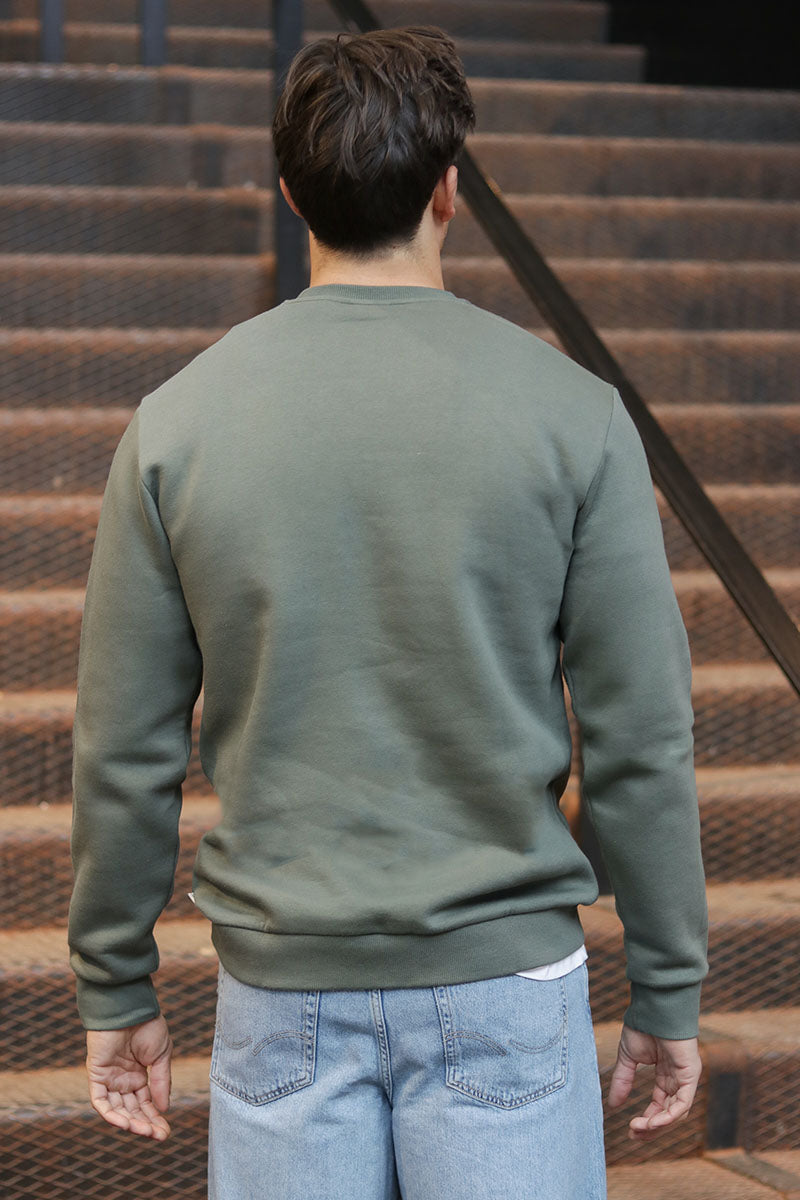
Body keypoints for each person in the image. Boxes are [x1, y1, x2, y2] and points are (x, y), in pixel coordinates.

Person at [68, 25, 709, 1200]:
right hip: (505, 982)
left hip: (281, 988)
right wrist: (666, 986)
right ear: (447, 192)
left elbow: (124, 747)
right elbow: (639, 737)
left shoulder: (174, 426)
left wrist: (115, 984)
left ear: (288, 193)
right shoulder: (574, 416)